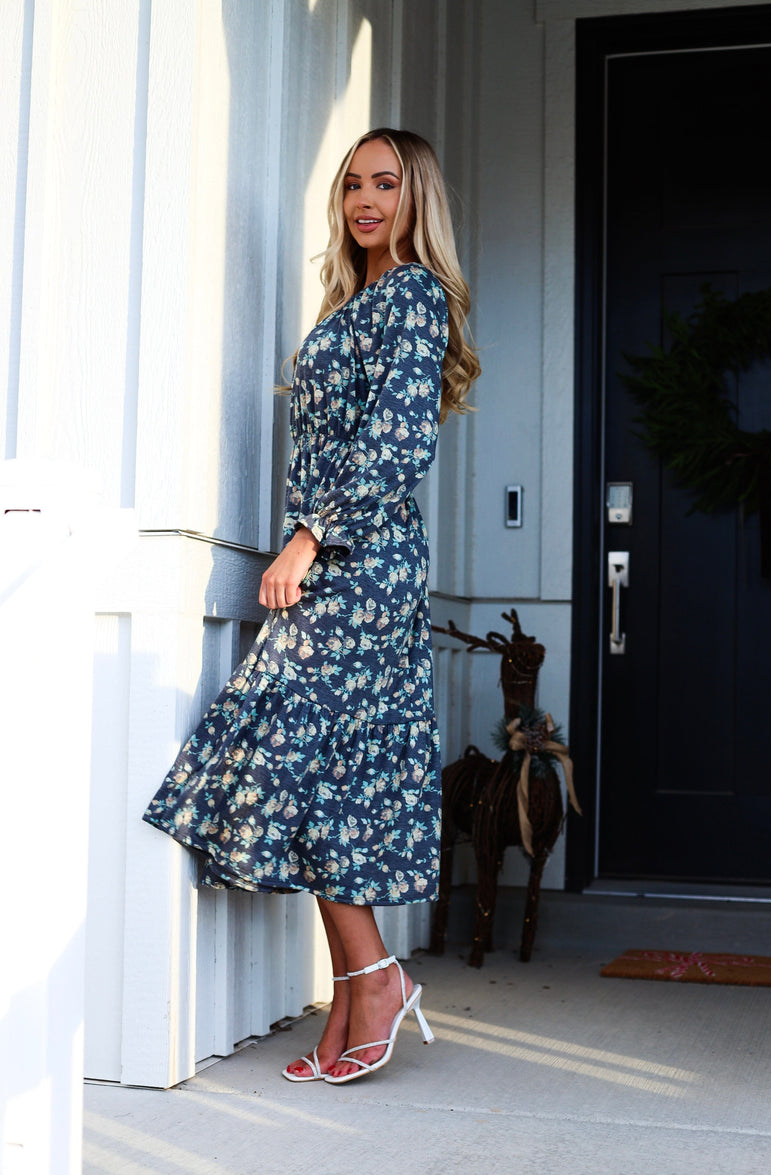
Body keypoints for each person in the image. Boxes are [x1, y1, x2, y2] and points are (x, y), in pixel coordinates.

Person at [143, 128, 480, 1083]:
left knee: (314, 765)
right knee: (321, 770)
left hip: (359, 563)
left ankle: (373, 981)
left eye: (386, 183)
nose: (365, 200)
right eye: (352, 184)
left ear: (418, 198)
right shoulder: (353, 301)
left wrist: (308, 537)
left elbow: (396, 445)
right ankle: (362, 985)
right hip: (335, 558)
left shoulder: (413, 295)